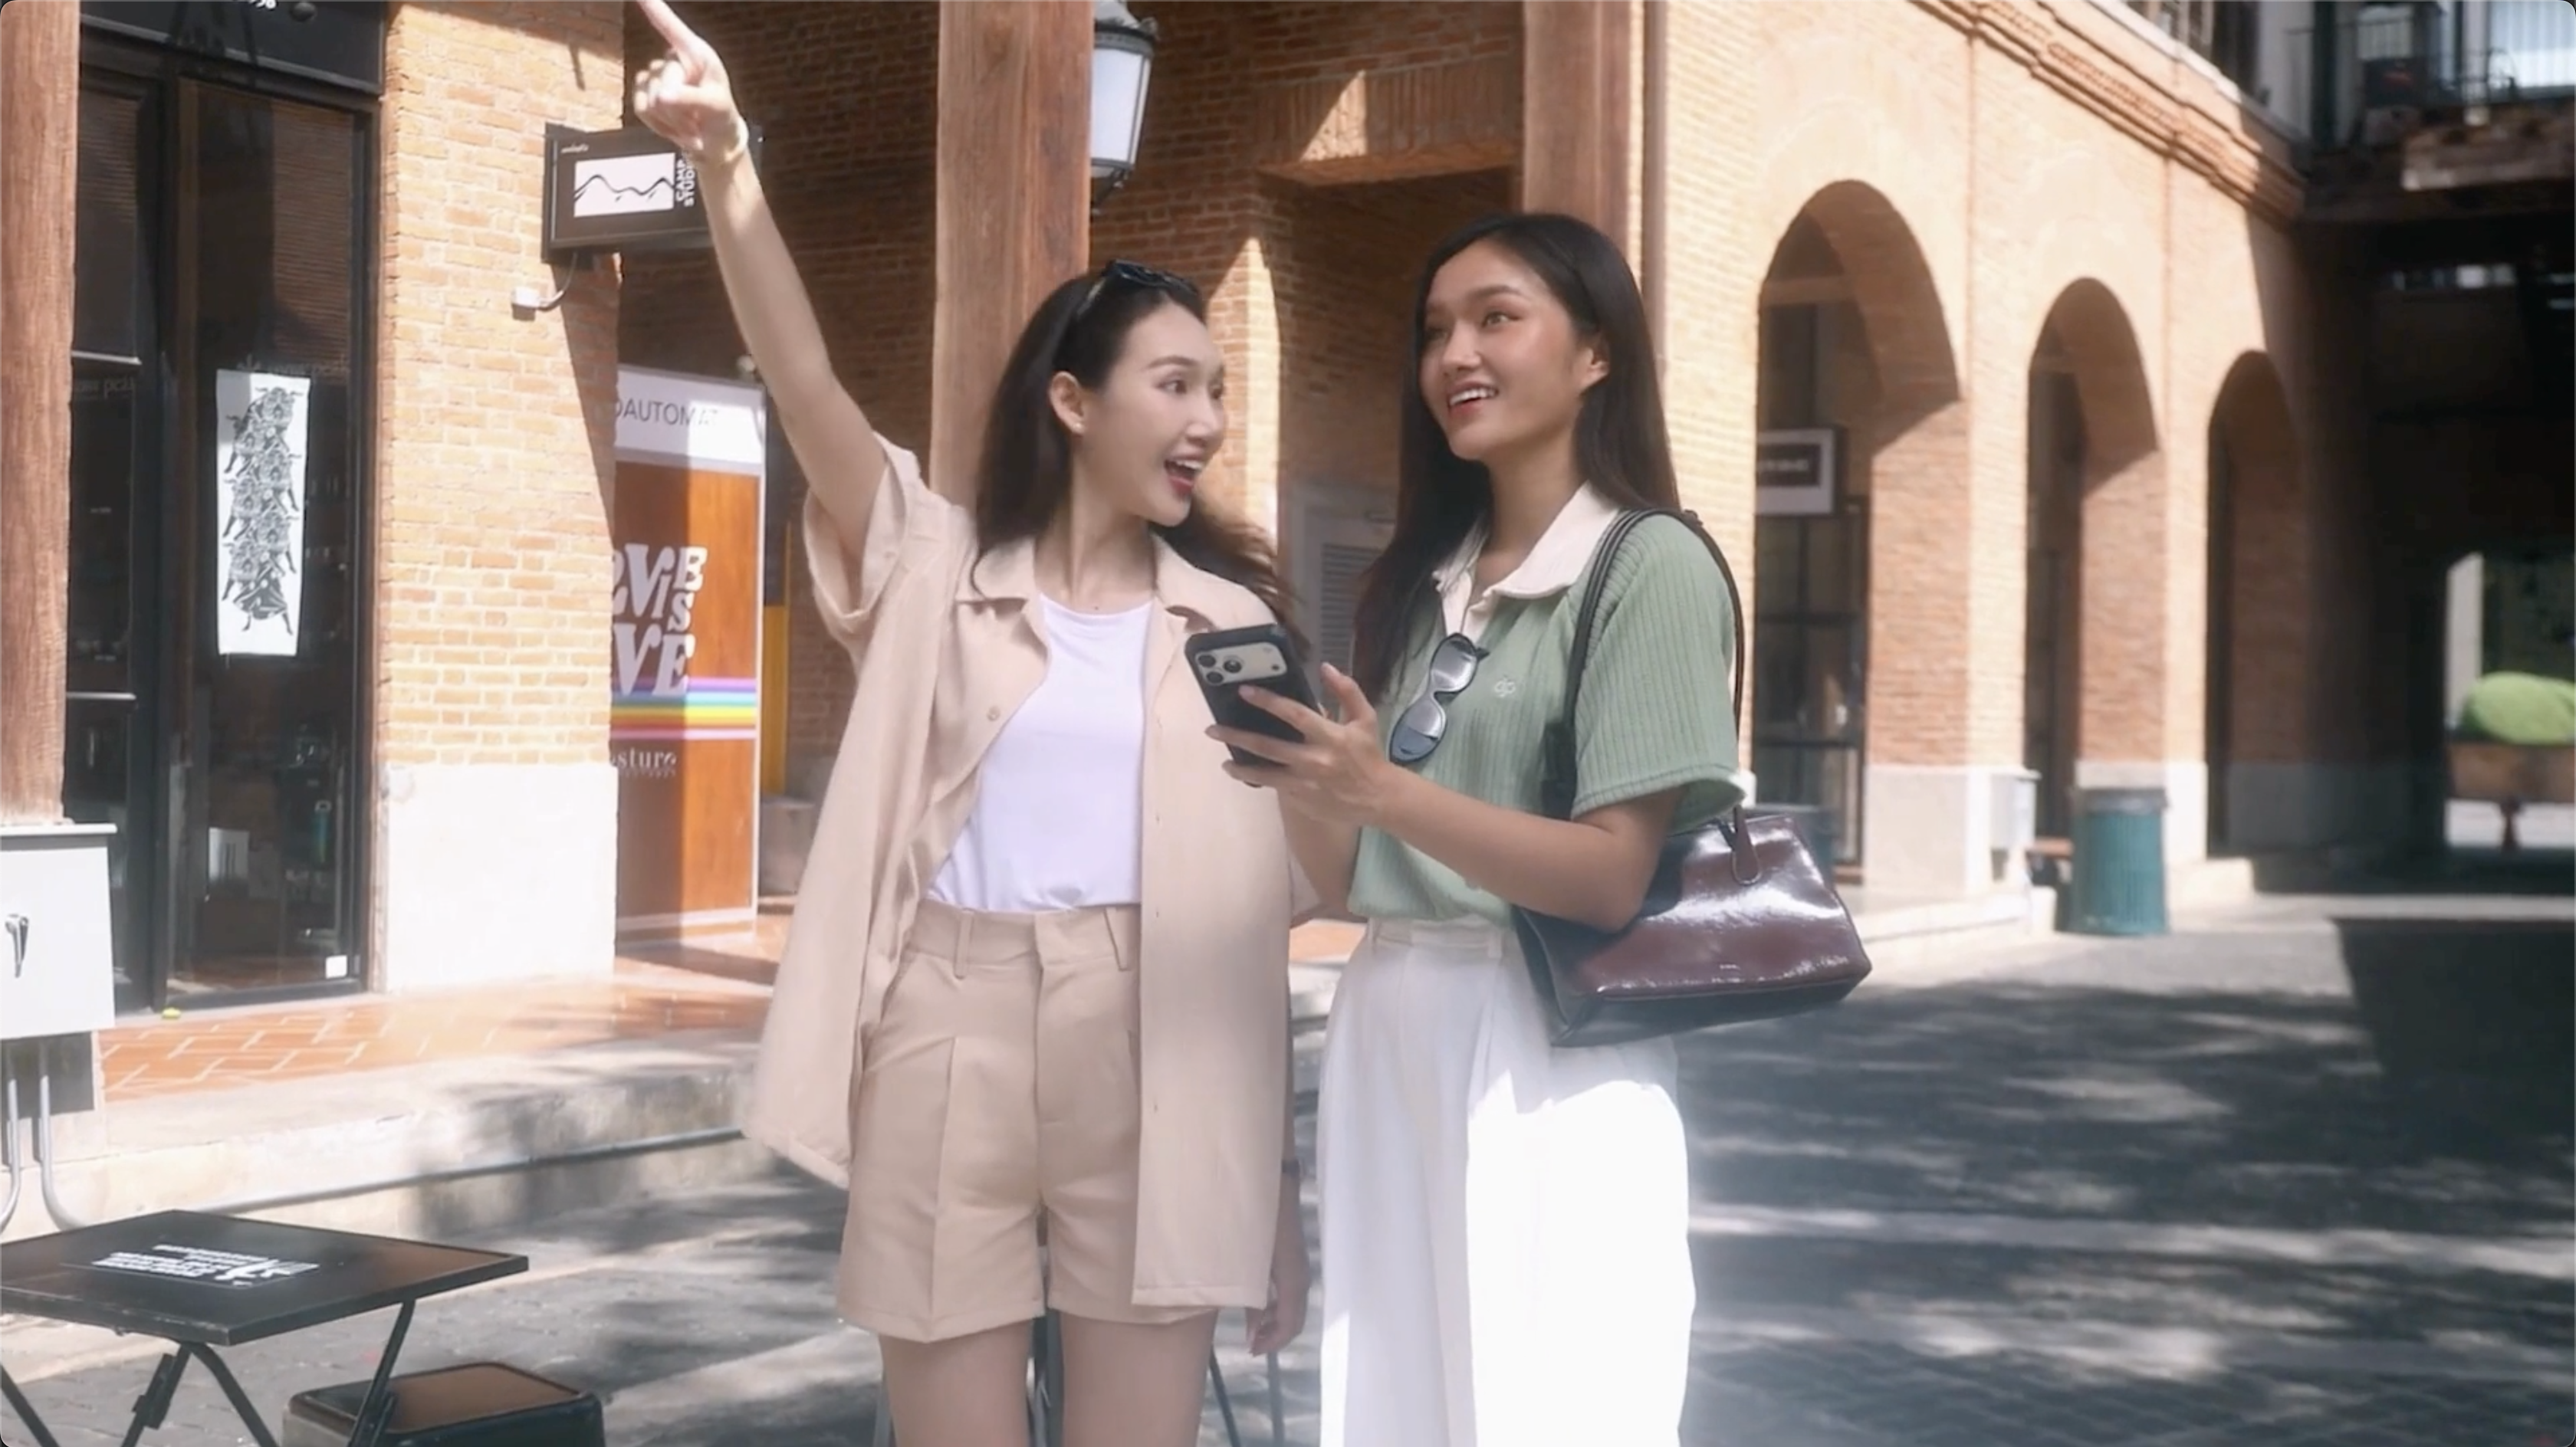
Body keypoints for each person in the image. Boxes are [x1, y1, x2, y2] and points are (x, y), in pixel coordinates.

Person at [627, 5, 1311, 1445]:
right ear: (1073, 400)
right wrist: (727, 159)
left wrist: (1277, 1193)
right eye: (1174, 385)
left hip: (1159, 1035)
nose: (1205, 420)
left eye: (1216, 391)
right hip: (949, 1014)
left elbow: (1253, 934)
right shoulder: (933, 565)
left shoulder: (1230, 627)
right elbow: (805, 385)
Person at [1212, 212, 1741, 1447]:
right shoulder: (1426, 578)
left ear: (1597, 353)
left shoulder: (1648, 563)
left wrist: (1386, 794)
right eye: (1437, 329)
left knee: (1549, 1405)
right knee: (1395, 1408)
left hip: (1544, 1039)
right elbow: (1356, 876)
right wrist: (1299, 770)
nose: (1456, 353)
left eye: (1498, 318)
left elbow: (1609, 877)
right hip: (1389, 1023)